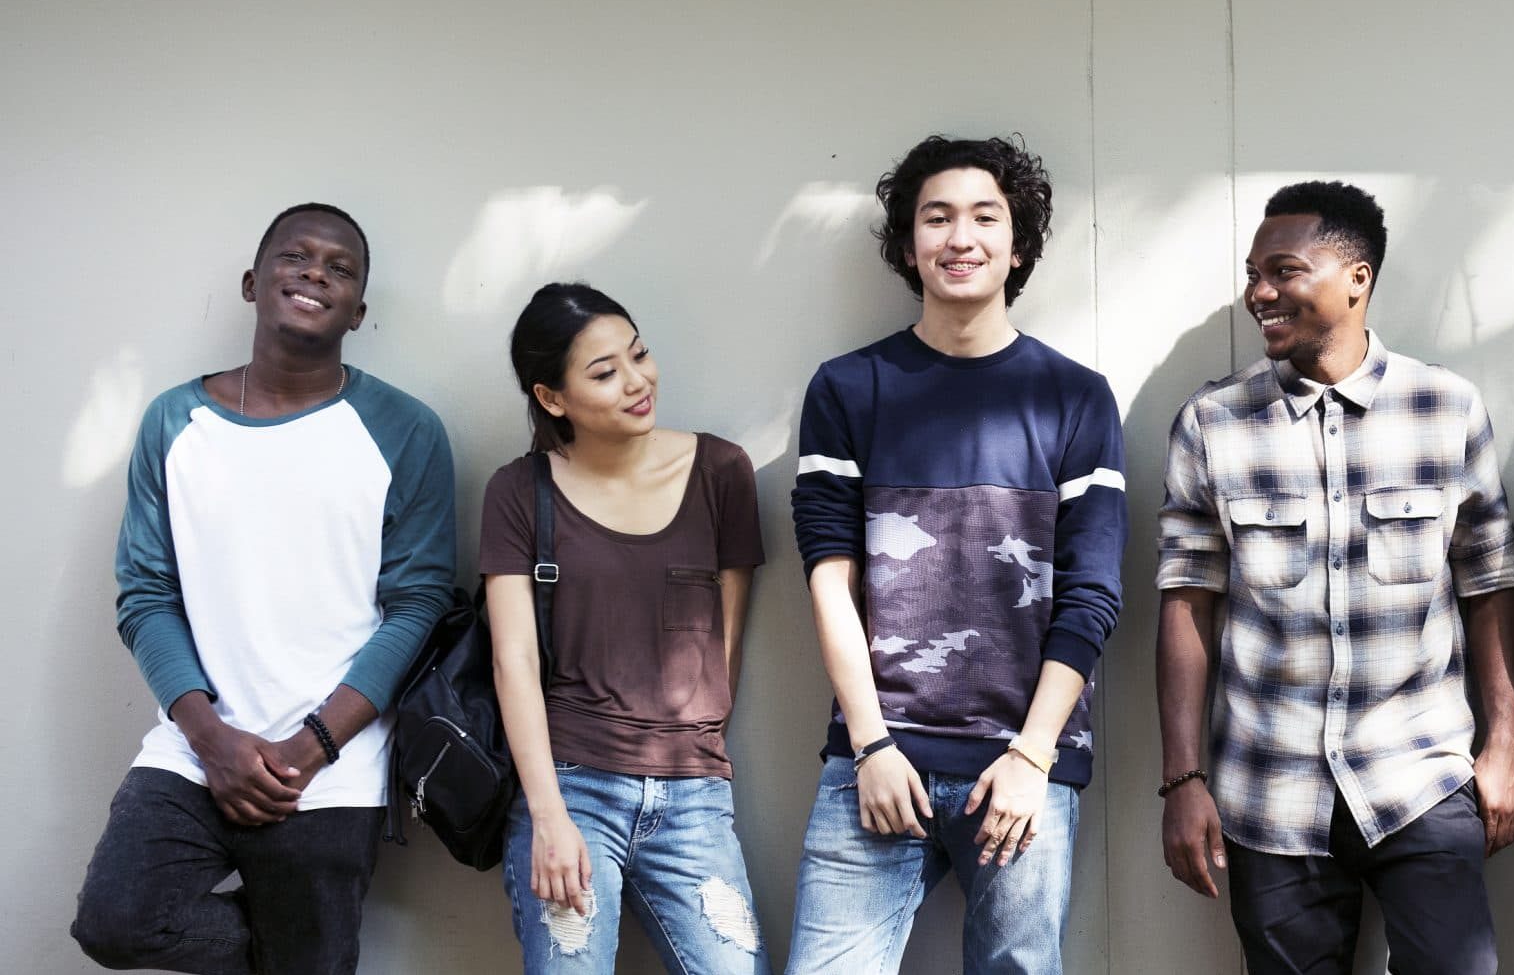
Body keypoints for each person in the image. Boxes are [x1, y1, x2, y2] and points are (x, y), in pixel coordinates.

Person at [70, 204, 456, 974]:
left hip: (334, 768)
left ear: (359, 309)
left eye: (340, 267)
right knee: (116, 922)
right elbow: (146, 594)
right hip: (193, 752)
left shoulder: (406, 429)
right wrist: (211, 740)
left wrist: (313, 746)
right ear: (253, 282)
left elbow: (419, 605)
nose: (316, 272)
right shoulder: (173, 422)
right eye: (296, 256)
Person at [1156, 180, 1514, 975]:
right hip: (1269, 789)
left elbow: (1490, 586)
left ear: (1357, 279)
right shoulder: (1212, 424)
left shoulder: (1446, 409)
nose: (1260, 293)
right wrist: (1182, 778)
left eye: (1284, 271)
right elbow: (1187, 605)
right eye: (1254, 273)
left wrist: (1507, 747)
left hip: (1421, 774)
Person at [785, 134, 1127, 974]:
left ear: (1019, 244)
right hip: (877, 756)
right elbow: (830, 582)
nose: (960, 237)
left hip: (1023, 769)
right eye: (936, 217)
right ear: (909, 245)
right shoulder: (848, 388)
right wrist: (868, 745)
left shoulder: (1075, 398)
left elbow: (1091, 596)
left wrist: (1032, 758)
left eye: (985, 216)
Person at [482, 283, 769, 972]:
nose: (637, 382)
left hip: (694, 793)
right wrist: (548, 817)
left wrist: (695, 740)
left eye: (638, 355)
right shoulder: (521, 492)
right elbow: (513, 660)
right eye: (605, 373)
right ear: (553, 398)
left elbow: (723, 634)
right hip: (570, 788)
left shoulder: (721, 471)